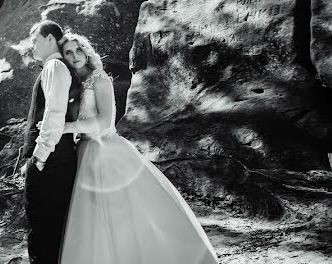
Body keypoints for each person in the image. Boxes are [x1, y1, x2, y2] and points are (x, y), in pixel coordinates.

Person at [57, 31, 220, 264]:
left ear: (86, 51)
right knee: (92, 220)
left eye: (78, 49)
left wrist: (67, 127)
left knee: (122, 216)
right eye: (69, 53)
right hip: (84, 153)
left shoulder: (99, 78)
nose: (75, 56)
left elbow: (105, 121)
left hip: (106, 153)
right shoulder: (75, 85)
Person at [21, 20, 81, 264]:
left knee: (43, 228)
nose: (32, 46)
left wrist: (39, 158)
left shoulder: (54, 67)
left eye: (35, 40)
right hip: (57, 157)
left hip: (51, 160)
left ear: (49, 39)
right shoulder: (57, 67)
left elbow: (54, 114)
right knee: (51, 227)